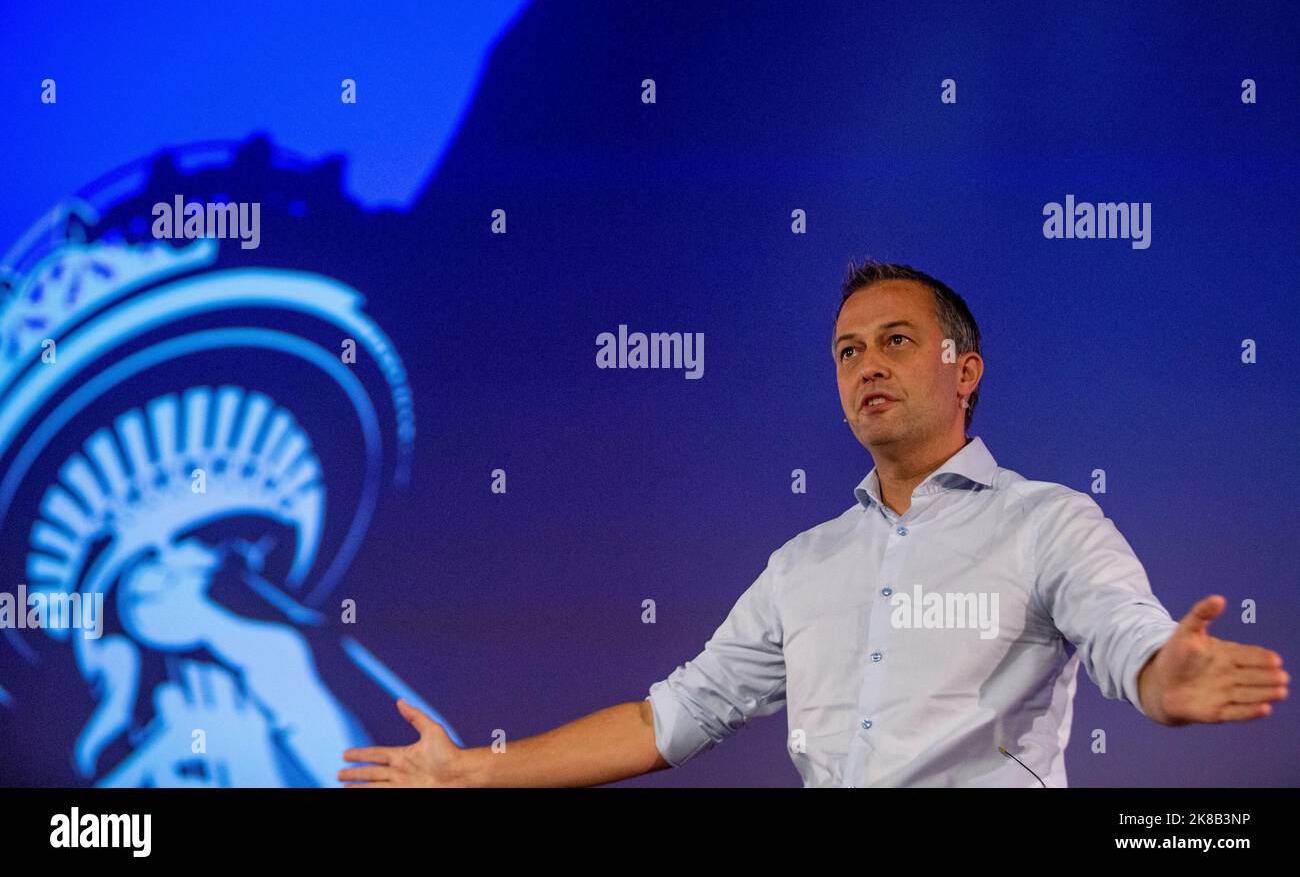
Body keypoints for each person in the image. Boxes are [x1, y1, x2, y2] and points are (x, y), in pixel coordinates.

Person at [338, 259, 1289, 787]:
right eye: (847, 351)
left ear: (966, 370)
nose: (866, 364)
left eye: (895, 342)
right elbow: (672, 715)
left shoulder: (1047, 523)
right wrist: (471, 773)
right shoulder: (805, 564)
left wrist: (1169, 678)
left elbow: (1131, 638)